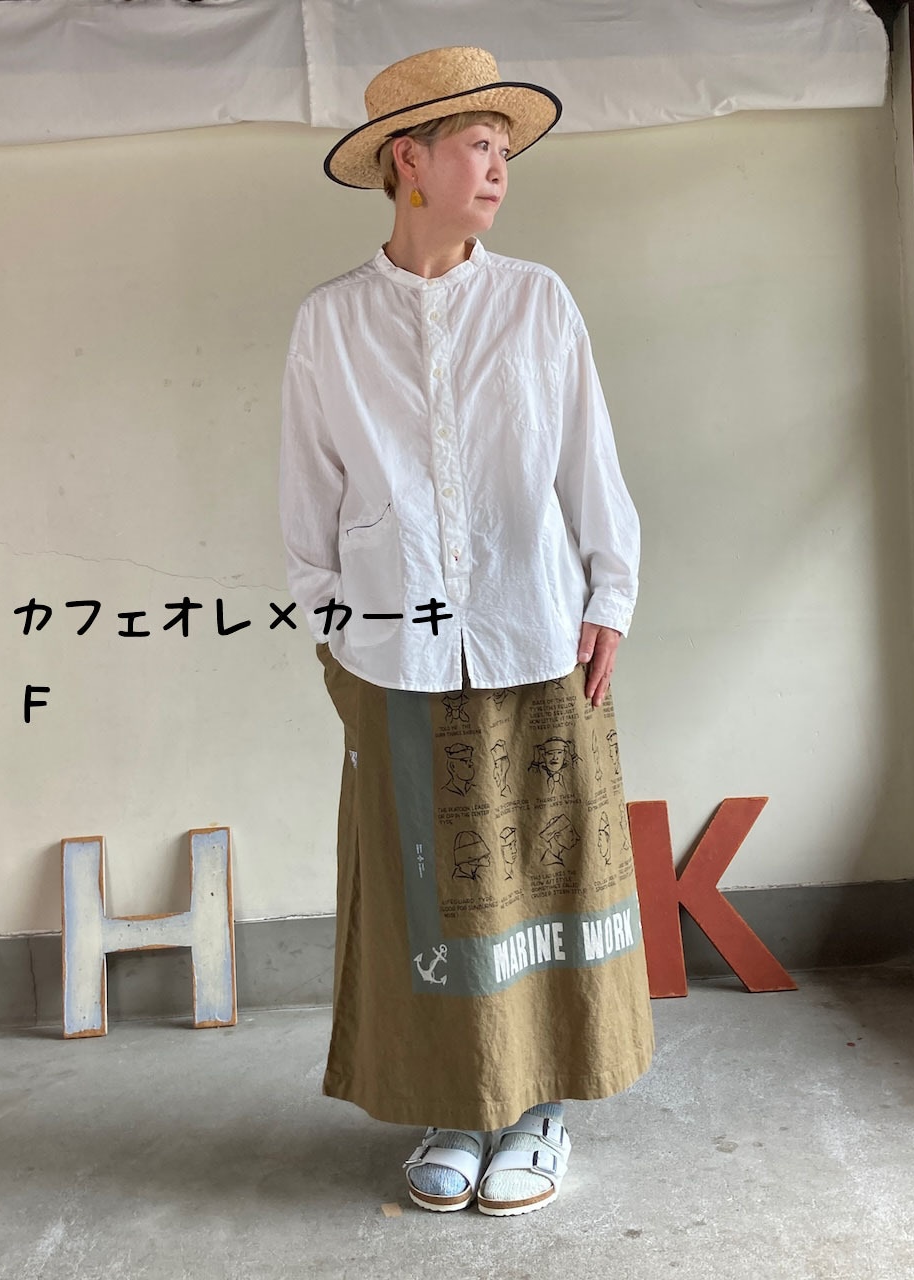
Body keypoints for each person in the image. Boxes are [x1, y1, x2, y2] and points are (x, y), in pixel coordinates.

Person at [278, 45, 654, 1218]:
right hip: (395, 652)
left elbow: (588, 461)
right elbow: (307, 502)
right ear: (410, 160)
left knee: (542, 875)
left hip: (537, 633)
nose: (498, 169)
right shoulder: (330, 323)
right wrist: (335, 633)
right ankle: (456, 1099)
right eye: (478, 147)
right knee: (431, 891)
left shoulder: (536, 302)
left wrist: (608, 596)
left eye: (502, 150)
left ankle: (537, 1107)